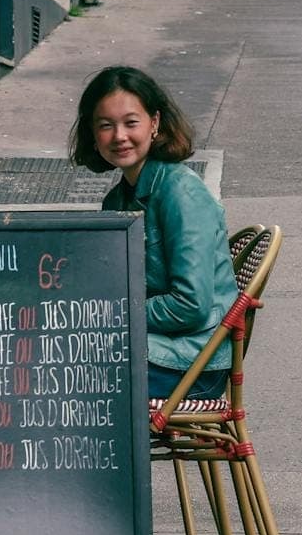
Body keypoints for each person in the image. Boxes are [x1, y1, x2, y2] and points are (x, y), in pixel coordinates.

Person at [70, 66, 238, 402]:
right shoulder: (118, 199)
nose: (119, 136)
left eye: (131, 122)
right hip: (150, 349)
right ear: (92, 133)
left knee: (64, 373)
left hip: (191, 365)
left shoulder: (180, 193)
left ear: (155, 123)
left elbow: (191, 305)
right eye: (105, 125)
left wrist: (112, 314)